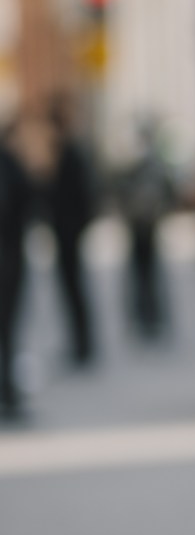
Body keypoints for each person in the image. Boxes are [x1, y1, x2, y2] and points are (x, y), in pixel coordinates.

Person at [45, 93, 98, 366]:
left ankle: (83, 346)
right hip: (66, 230)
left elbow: (80, 196)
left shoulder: (69, 153)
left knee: (74, 288)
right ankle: (81, 344)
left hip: (69, 231)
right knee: (72, 288)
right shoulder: (65, 151)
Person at [116, 117, 176, 340]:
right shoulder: (135, 164)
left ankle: (151, 317)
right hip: (138, 225)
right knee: (141, 275)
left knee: (149, 275)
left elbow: (167, 193)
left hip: (147, 225)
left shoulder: (153, 165)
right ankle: (143, 317)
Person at [0, 117, 34, 421]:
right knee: (7, 329)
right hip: (7, 259)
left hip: (10, 256)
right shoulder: (7, 163)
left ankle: (8, 390)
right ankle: (7, 391)